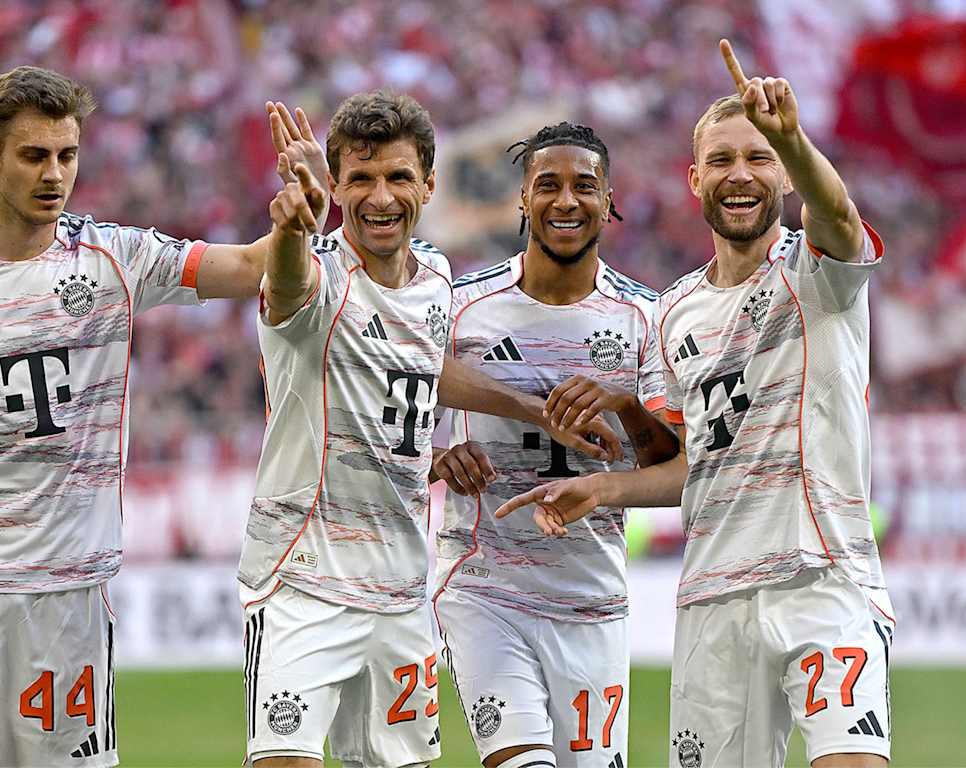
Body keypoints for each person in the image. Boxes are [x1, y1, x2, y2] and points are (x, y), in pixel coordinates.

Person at [496, 40, 895, 768]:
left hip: (822, 576)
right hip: (714, 596)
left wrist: (794, 140)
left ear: (782, 173)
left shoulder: (817, 268)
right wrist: (606, 486)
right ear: (694, 180)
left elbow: (838, 215)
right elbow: (691, 467)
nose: (740, 175)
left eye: (759, 158)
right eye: (721, 161)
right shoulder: (675, 312)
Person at [243, 92, 621, 768]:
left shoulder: (436, 278)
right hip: (305, 580)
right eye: (360, 179)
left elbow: (421, 368)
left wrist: (522, 415)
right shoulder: (318, 272)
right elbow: (291, 285)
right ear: (334, 187)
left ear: (428, 185)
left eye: (396, 177)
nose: (380, 196)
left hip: (402, 589)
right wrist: (295, 229)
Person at [0, 66, 325, 768]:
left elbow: (248, 266)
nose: (55, 174)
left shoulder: (111, 258)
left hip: (63, 597)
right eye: (33, 155)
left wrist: (305, 215)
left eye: (67, 154)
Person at [429, 121, 678, 768]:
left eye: (584, 187)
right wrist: (437, 460)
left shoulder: (645, 319)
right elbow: (380, 412)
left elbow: (671, 465)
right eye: (548, 185)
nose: (566, 201)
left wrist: (622, 404)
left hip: (592, 601)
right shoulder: (461, 308)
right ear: (521, 199)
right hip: (483, 587)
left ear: (608, 199)